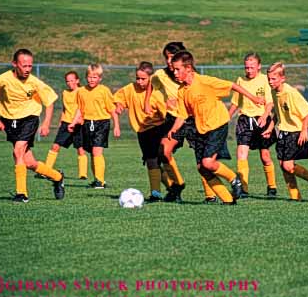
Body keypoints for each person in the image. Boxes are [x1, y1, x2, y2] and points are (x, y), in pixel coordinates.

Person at [169, 50, 265, 205]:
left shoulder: (205, 81)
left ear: (188, 68)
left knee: (207, 163)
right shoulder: (182, 91)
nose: (174, 72)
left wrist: (253, 98)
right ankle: (228, 200)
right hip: (201, 130)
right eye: (173, 69)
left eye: (177, 69)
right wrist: (173, 129)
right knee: (202, 168)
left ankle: (234, 179)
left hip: (217, 124)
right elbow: (182, 114)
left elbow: (232, 85)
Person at [0, 48, 64, 203]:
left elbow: (49, 101)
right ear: (14, 64)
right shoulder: (3, 80)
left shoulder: (34, 82)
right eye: (24, 66)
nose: (27, 69)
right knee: (29, 162)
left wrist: (46, 123)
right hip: (9, 121)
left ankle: (22, 194)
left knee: (18, 151)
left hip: (29, 118)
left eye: (30, 66)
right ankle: (57, 177)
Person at [144, 42, 215, 203]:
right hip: (173, 120)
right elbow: (151, 84)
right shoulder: (160, 74)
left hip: (193, 120)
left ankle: (210, 195)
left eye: (171, 58)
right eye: (166, 58)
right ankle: (177, 185)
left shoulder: (191, 76)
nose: (169, 62)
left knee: (201, 159)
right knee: (163, 151)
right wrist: (147, 102)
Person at [263, 62, 308, 202]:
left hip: (297, 130)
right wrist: (270, 128)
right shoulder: (273, 92)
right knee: (283, 165)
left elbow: (307, 111)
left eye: (273, 79)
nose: (270, 82)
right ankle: (295, 197)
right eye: (269, 79)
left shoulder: (291, 92)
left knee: (288, 165)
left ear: (282, 78)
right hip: (284, 130)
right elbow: (278, 112)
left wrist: (304, 130)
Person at [114, 62, 168, 201]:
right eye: (137, 78)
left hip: (157, 128)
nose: (139, 81)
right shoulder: (130, 88)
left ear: (151, 78)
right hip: (142, 131)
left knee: (154, 160)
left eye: (143, 79)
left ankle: (156, 192)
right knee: (151, 161)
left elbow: (166, 116)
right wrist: (119, 106)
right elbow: (118, 98)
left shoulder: (156, 94)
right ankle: (171, 187)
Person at [228, 52, 277, 198]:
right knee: (241, 154)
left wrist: (264, 116)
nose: (249, 70)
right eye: (247, 68)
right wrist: (226, 117)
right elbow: (235, 103)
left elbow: (270, 103)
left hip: (262, 120)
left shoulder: (265, 80)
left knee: (265, 155)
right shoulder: (240, 80)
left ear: (259, 67)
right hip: (244, 120)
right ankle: (243, 189)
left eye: (252, 67)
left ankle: (272, 186)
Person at [68, 64, 120, 189]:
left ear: (100, 78)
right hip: (87, 124)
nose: (92, 79)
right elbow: (80, 110)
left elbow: (112, 110)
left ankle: (100, 181)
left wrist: (116, 126)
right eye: (89, 77)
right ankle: (97, 178)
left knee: (97, 151)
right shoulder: (81, 91)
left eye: (95, 77)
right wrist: (73, 122)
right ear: (86, 77)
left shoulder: (104, 90)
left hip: (102, 123)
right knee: (92, 152)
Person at [40, 71, 88, 180]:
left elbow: (81, 109)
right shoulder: (65, 93)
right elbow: (64, 108)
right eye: (67, 81)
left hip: (78, 124)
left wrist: (75, 122)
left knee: (80, 149)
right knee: (55, 146)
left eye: (72, 80)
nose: (70, 83)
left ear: (77, 80)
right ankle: (46, 171)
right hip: (66, 123)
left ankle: (83, 175)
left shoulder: (82, 91)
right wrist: (61, 121)